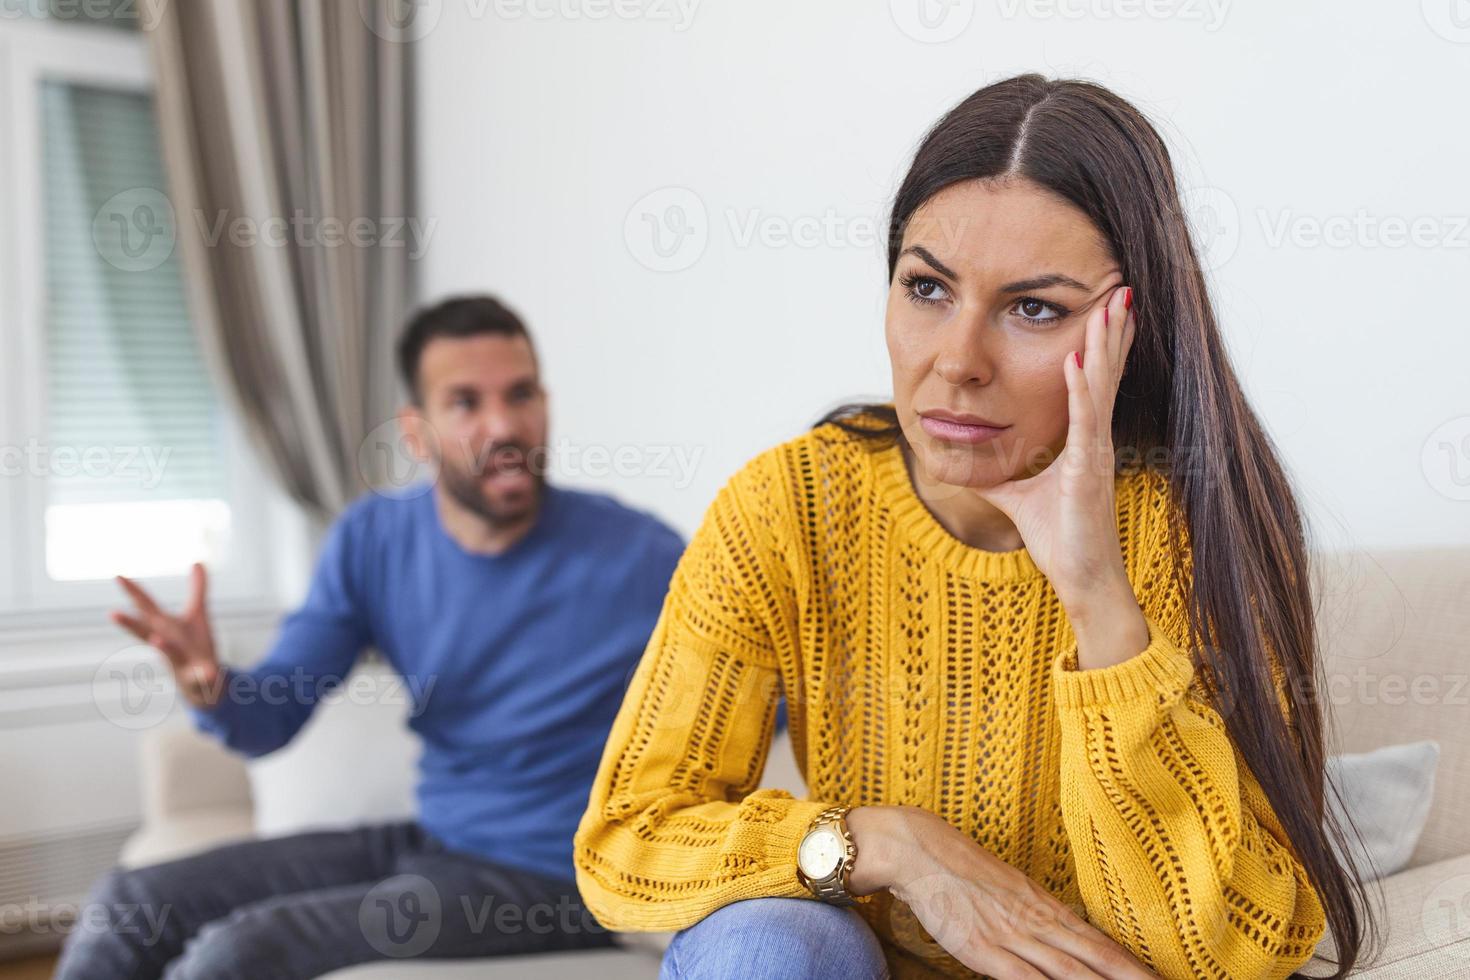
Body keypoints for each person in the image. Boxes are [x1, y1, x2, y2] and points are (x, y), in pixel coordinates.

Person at [573, 75, 1373, 980]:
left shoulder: (1188, 531)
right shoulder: (790, 505)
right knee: (769, 945)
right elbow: (628, 841)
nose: (956, 362)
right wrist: (893, 846)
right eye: (926, 288)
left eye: (1034, 308)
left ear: (1130, 328)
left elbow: (1222, 954)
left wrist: (1097, 595)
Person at [57, 296, 689, 979]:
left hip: (555, 880)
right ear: (416, 434)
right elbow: (273, 712)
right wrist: (211, 684)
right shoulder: (372, 541)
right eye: (466, 403)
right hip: (435, 840)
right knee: (129, 903)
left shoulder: (642, 556)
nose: (504, 424)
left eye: (521, 394)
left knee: (238, 955)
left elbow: (760, 690)